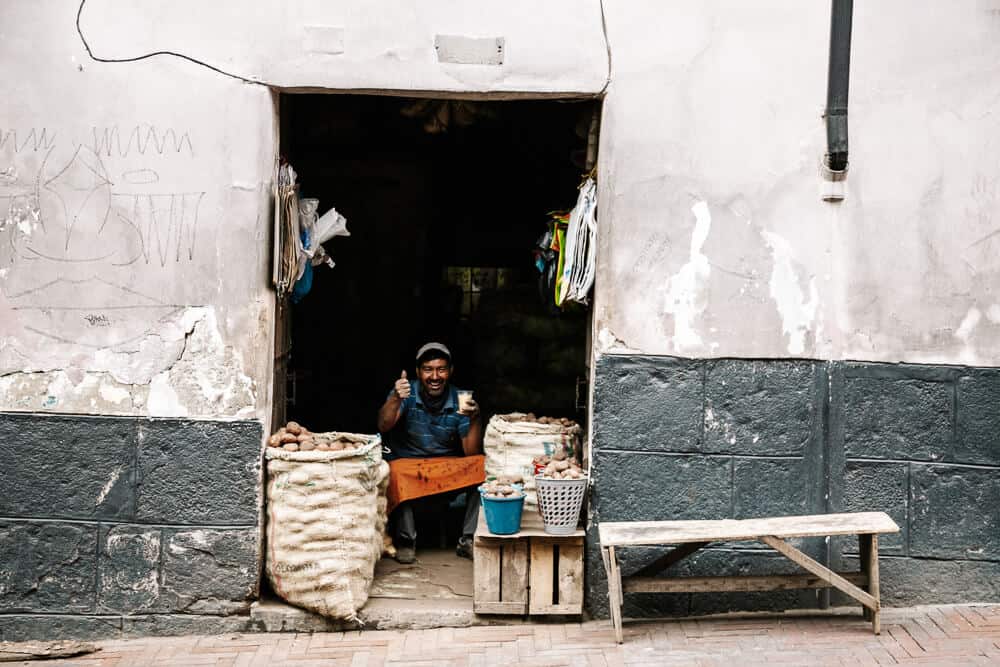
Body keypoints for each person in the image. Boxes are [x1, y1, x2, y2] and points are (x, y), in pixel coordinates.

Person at [377, 342, 484, 563]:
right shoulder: (406, 392)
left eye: (441, 369)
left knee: (481, 466)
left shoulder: (460, 399)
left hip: (445, 467)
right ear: (418, 372)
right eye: (428, 369)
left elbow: (470, 452)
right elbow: (383, 425)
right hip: (410, 466)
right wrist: (396, 397)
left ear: (450, 371)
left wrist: (474, 419)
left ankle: (468, 540)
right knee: (393, 470)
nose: (434, 376)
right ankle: (406, 540)